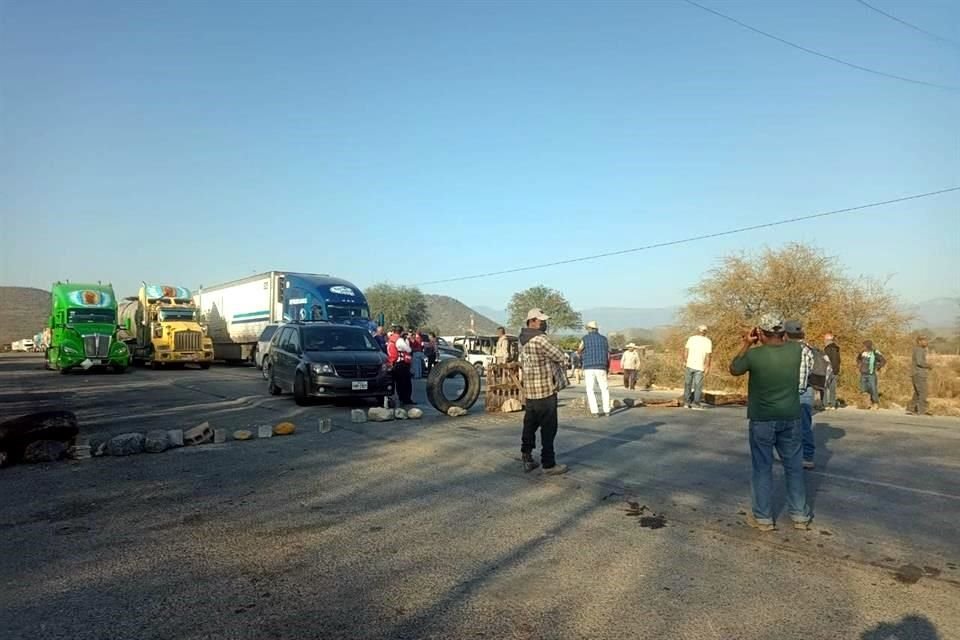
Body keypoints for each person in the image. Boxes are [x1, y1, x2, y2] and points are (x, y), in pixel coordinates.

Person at [730, 315, 812, 532]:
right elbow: (798, 344)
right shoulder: (796, 351)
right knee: (794, 467)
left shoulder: (754, 355)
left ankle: (763, 517)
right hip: (790, 416)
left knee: (762, 468)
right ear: (782, 332)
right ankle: (800, 515)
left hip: (762, 418)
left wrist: (747, 343)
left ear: (761, 333)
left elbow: (735, 368)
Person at [518, 308, 569, 475]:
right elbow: (560, 356)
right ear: (532, 321)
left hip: (530, 391)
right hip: (545, 390)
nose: (544, 323)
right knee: (548, 429)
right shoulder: (541, 339)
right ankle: (548, 464)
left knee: (529, 426)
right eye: (541, 321)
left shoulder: (522, 340)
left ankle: (527, 458)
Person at [784, 320, 817, 470]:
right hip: (805, 390)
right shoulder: (808, 347)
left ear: (786, 333)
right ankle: (803, 455)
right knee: (803, 425)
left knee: (798, 426)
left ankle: (805, 456)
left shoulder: (798, 349)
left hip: (798, 391)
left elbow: (801, 375)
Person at [578, 321, 611, 417]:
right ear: (597, 329)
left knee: (590, 389)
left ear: (589, 329)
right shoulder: (604, 339)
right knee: (604, 389)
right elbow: (608, 353)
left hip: (589, 367)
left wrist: (582, 355)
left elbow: (579, 350)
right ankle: (607, 410)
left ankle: (595, 411)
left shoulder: (585, 339)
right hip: (601, 366)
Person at [682, 325, 712, 410]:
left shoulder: (693, 339)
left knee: (689, 384)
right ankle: (693, 403)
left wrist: (685, 361)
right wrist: (707, 367)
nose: (702, 332)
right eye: (703, 330)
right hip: (695, 366)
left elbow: (686, 351)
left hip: (695, 366)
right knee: (696, 385)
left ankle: (689, 403)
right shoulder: (706, 341)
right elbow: (708, 356)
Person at [387, 325, 414, 406]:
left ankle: (401, 398)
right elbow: (409, 350)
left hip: (394, 362)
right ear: (401, 332)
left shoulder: (390, 339)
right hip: (402, 363)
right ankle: (406, 399)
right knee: (406, 382)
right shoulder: (399, 340)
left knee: (398, 383)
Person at [857, 340, 886, 410]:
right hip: (863, 373)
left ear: (868, 346)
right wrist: (859, 365)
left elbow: (883, 360)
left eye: (864, 345)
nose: (863, 347)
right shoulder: (862, 352)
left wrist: (878, 366)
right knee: (863, 389)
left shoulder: (875, 352)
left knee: (873, 389)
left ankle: (875, 403)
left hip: (871, 374)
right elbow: (858, 359)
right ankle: (866, 404)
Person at [908, 336, 933, 415]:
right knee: (923, 392)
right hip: (918, 374)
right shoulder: (919, 350)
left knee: (917, 392)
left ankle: (912, 409)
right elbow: (919, 362)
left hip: (917, 373)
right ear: (919, 341)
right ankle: (921, 410)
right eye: (924, 341)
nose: (926, 342)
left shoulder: (918, 349)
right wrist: (928, 365)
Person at [823, 334, 840, 410]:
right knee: (833, 388)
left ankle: (825, 404)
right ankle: (833, 404)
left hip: (828, 370)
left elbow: (826, 360)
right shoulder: (837, 349)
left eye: (825, 340)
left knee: (825, 387)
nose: (824, 341)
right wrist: (836, 370)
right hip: (835, 370)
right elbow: (838, 360)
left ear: (827, 340)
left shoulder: (827, 349)